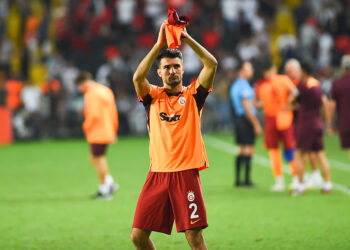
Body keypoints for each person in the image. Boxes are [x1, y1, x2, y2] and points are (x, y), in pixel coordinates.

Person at [130, 24, 217, 250]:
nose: (172, 71)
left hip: (185, 174)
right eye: (167, 67)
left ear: (182, 68)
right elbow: (137, 77)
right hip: (157, 174)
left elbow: (212, 64)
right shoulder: (152, 96)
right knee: (137, 236)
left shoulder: (193, 95)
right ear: (159, 72)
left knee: (194, 237)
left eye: (176, 66)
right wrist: (159, 44)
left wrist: (186, 38)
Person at [288, 59, 332, 195]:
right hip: (317, 122)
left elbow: (291, 99)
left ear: (304, 71)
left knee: (298, 154)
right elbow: (325, 103)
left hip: (306, 123)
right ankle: (327, 184)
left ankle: (301, 186)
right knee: (320, 154)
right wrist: (327, 121)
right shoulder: (316, 84)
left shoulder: (303, 85)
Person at [255, 59, 298, 191]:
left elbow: (295, 92)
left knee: (289, 148)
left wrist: (287, 103)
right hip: (272, 117)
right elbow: (256, 103)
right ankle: (280, 180)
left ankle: (296, 178)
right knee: (274, 149)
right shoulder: (261, 84)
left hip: (282, 117)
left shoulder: (281, 80)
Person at [75, 72, 119, 199]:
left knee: (98, 159)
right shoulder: (106, 90)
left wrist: (85, 126)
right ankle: (109, 182)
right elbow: (113, 111)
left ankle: (105, 188)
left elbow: (94, 115)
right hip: (108, 129)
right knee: (95, 157)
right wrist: (114, 129)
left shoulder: (91, 93)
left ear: (83, 82)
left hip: (97, 131)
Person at [229, 60, 261, 187]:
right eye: (249, 69)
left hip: (238, 118)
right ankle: (246, 180)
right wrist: (256, 124)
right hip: (246, 119)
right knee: (249, 149)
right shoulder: (244, 86)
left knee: (241, 149)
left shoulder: (236, 85)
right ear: (241, 71)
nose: (251, 71)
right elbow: (247, 107)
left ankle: (238, 180)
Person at [330, 55, 350, 162]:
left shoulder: (337, 84)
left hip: (345, 124)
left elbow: (332, 106)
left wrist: (330, 124)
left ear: (342, 68)